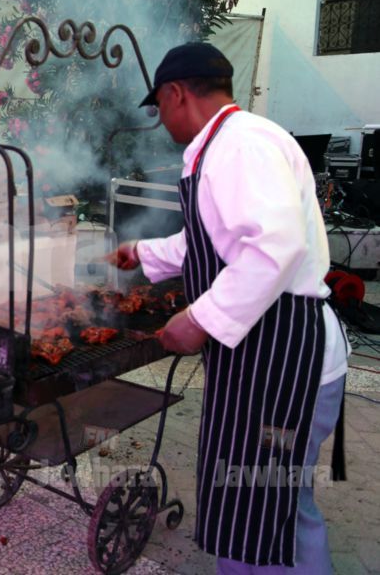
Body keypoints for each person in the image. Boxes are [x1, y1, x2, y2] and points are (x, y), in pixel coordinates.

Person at [107, 42, 348, 574]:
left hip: (285, 358)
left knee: (272, 508)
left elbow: (274, 247)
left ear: (176, 94)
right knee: (262, 498)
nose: (161, 119)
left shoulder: (241, 147)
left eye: (159, 106)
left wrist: (199, 319)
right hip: (264, 356)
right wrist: (143, 253)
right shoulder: (227, 143)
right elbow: (214, 243)